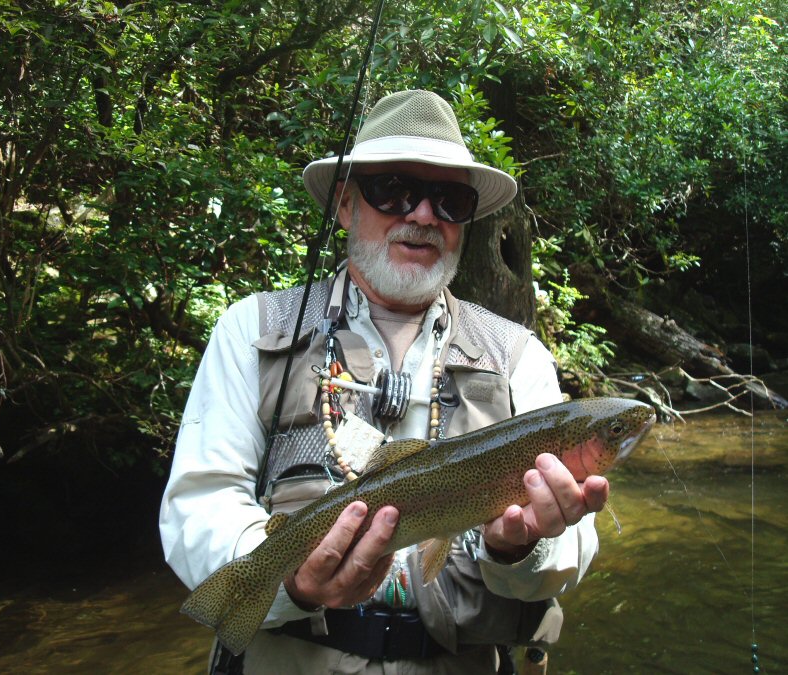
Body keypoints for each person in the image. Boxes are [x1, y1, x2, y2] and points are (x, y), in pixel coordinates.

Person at [160, 90, 609, 674]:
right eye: (393, 190)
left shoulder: (519, 356)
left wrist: (521, 547)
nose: (422, 215)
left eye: (449, 200)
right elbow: (200, 502)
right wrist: (285, 578)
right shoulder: (255, 329)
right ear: (345, 205)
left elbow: (569, 555)